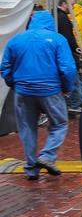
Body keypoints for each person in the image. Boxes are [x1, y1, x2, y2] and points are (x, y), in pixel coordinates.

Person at [0, 10, 76, 180]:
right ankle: (47, 156)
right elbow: (68, 69)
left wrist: (14, 83)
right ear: (50, 23)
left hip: (23, 91)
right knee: (60, 123)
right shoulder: (57, 40)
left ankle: (31, 168)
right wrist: (67, 87)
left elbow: (5, 66)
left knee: (27, 128)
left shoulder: (17, 40)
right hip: (50, 90)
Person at [55, 0, 82, 114]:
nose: (73, 7)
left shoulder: (58, 16)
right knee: (74, 79)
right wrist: (76, 48)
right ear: (64, 4)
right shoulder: (62, 18)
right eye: (72, 5)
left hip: (64, 52)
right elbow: (68, 37)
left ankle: (72, 103)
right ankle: (74, 103)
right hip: (67, 53)